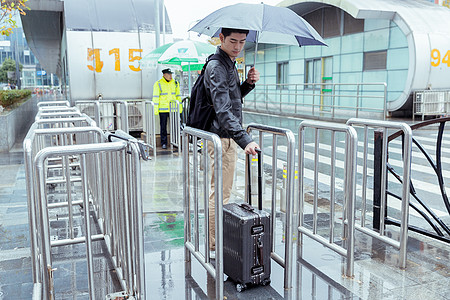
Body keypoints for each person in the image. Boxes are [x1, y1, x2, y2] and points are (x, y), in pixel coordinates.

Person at [203, 27, 260, 257]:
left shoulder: (228, 63)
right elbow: (223, 108)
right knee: (220, 194)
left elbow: (232, 97)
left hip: (226, 136)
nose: (237, 46)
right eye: (233, 41)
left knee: (222, 191)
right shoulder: (218, 66)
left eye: (242, 42)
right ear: (221, 39)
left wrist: (247, 84)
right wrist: (243, 139)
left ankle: (216, 240)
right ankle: (214, 244)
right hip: (223, 137)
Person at [152, 68, 181, 149]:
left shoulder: (175, 83)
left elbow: (178, 96)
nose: (170, 76)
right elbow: (155, 97)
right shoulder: (158, 84)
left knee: (175, 127)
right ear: (164, 75)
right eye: (168, 74)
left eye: (171, 74)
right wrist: (155, 110)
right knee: (163, 127)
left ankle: (175, 142)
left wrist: (180, 109)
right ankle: (163, 143)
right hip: (163, 109)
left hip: (173, 109)